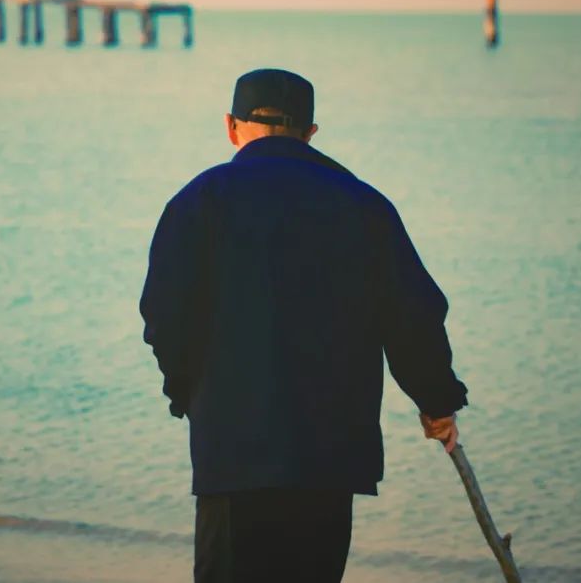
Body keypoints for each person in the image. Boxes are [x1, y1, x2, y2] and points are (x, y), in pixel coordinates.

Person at [139, 68, 469, 583]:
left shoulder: (200, 200)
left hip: (233, 452)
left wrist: (184, 390)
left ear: (230, 126)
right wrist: (437, 401)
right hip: (329, 458)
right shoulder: (365, 205)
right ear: (312, 132)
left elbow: (163, 313)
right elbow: (414, 316)